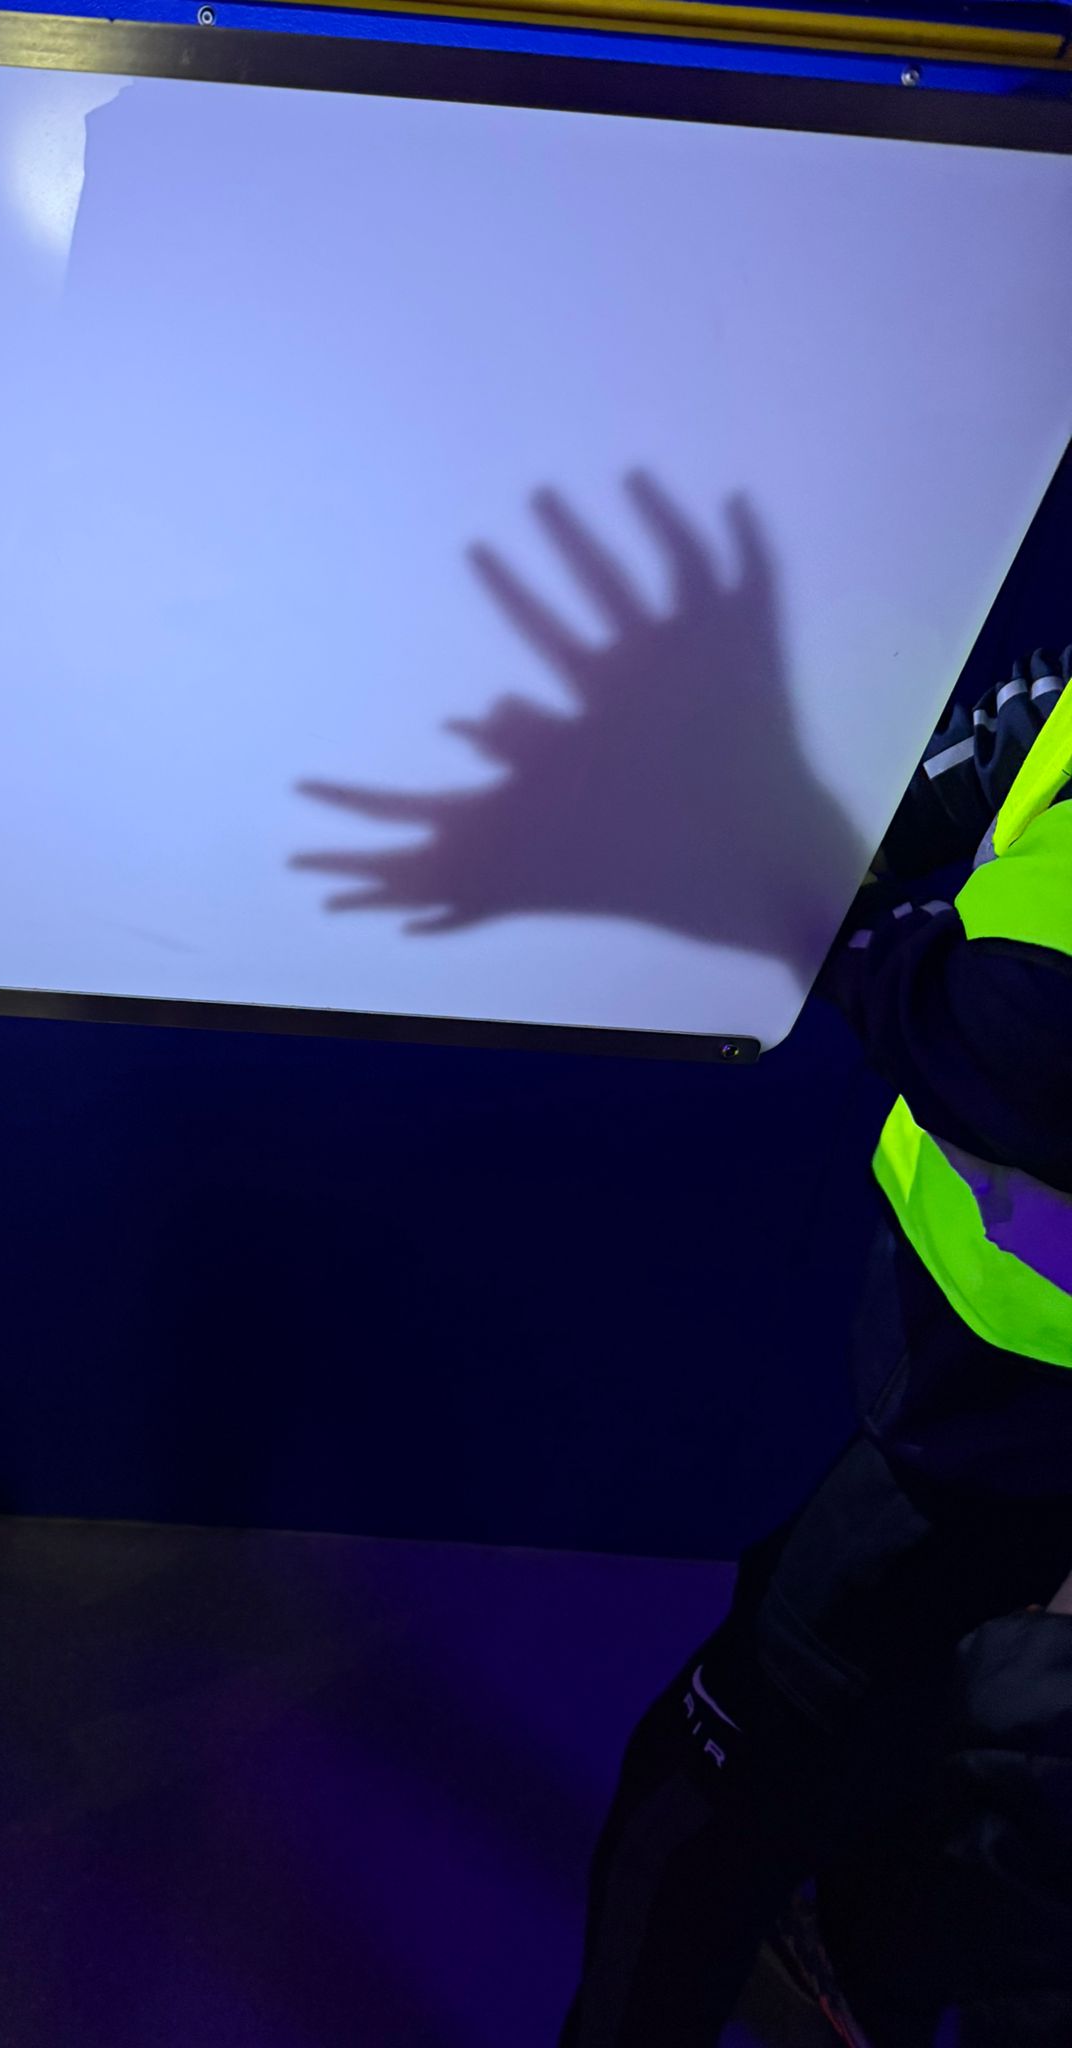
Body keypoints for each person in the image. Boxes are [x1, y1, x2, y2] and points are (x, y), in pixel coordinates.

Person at [560, 646, 1072, 2048]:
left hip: (992, 1421)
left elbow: (1012, 1042)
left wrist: (836, 921)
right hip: (984, 1398)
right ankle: (864, 1959)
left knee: (714, 1778)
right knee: (941, 1755)